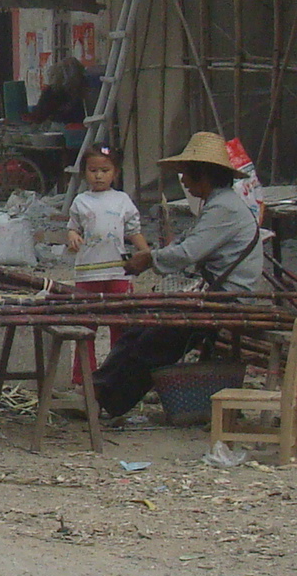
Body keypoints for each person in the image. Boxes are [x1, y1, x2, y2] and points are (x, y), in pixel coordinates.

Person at [92, 131, 266, 424]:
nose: (183, 180)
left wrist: (149, 259)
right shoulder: (219, 203)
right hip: (216, 294)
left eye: (186, 173)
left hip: (230, 298)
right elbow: (188, 243)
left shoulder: (224, 207)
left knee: (157, 339)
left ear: (203, 175)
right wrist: (154, 256)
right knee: (139, 329)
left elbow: (188, 252)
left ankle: (108, 399)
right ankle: (98, 389)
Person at [63, 143, 146, 382]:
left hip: (117, 272)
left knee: (120, 324)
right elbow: (72, 228)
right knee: (86, 325)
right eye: (93, 170)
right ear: (84, 173)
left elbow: (134, 231)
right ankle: (84, 378)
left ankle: (117, 376)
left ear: (115, 173)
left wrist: (147, 254)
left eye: (105, 170)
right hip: (88, 272)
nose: (98, 176)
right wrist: (73, 237)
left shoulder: (122, 201)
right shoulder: (80, 201)